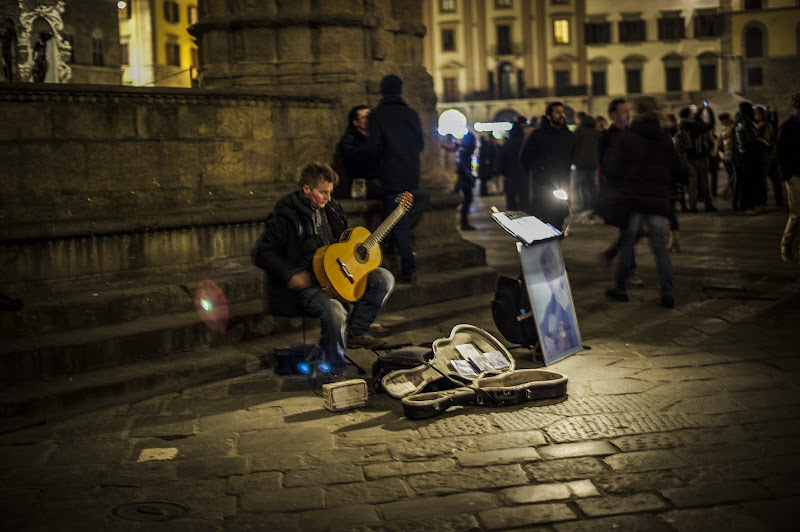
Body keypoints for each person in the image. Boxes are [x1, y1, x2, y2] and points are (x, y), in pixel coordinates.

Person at [251, 162, 394, 376]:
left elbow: (342, 244)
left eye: (330, 192)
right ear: (306, 190)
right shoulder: (285, 214)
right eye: (323, 193)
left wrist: (356, 256)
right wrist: (290, 274)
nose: (327, 198)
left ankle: (357, 332)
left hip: (336, 276)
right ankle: (335, 368)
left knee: (384, 278)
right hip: (305, 284)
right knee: (335, 311)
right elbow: (262, 252)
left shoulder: (332, 208)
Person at [603, 97, 685, 308]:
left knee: (628, 244)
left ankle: (621, 289)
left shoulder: (626, 138)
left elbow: (611, 169)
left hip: (634, 200)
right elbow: (678, 170)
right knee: (660, 247)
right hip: (658, 200)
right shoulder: (665, 139)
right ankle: (668, 292)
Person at [367, 74, 430, 283]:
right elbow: (420, 144)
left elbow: (373, 147)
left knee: (398, 222)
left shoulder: (377, 115)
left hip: (391, 176)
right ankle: (405, 259)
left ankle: (408, 268)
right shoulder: (411, 114)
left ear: (382, 90)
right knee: (402, 220)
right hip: (411, 174)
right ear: (400, 90)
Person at [595, 98, 644, 287]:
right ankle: (629, 271)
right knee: (632, 230)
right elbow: (605, 166)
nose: (628, 114)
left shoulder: (632, 134)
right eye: (624, 111)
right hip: (618, 193)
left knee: (634, 231)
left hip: (634, 190)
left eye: (628, 111)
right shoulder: (606, 138)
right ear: (613, 115)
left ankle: (611, 256)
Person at [519, 101, 575, 231]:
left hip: (562, 183)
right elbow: (524, 157)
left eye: (562, 112)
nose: (561, 115)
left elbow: (572, 155)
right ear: (549, 116)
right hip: (542, 184)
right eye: (557, 112)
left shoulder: (568, 136)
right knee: (543, 219)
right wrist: (538, 172)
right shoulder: (537, 135)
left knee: (559, 218)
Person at [538, 245, 580, 356]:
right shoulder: (552, 301)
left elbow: (574, 336)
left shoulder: (565, 298)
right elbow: (543, 327)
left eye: (550, 271)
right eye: (546, 274)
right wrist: (546, 341)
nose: (548, 279)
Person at [675, 106, 715, 213]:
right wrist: (710, 114)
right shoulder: (694, 125)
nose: (693, 114)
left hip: (688, 158)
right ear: (689, 115)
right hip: (699, 156)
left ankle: (692, 206)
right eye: (691, 113)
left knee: (692, 183)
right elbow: (709, 126)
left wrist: (699, 112)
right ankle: (708, 205)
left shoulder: (681, 126)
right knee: (704, 182)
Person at [776, 92, 800, 263]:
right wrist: (786, 175)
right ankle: (786, 242)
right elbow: (780, 152)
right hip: (795, 175)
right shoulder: (788, 126)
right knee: (797, 213)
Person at [338, 105, 380, 198]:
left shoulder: (376, 137)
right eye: (365, 117)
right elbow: (354, 160)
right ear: (355, 122)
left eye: (370, 116)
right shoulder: (349, 140)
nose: (370, 119)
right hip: (361, 184)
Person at [734, 102, 768, 215]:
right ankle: (747, 206)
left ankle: (752, 205)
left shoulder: (743, 120)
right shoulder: (745, 122)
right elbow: (752, 138)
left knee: (750, 182)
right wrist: (765, 144)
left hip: (747, 154)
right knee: (748, 182)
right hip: (748, 154)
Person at [497, 115, 528, 211]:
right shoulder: (525, 143)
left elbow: (500, 159)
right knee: (524, 200)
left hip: (509, 177)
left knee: (511, 202)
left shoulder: (507, 144)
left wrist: (503, 172)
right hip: (524, 176)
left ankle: (513, 221)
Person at [572, 112, 600, 213]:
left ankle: (583, 207)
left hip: (580, 165)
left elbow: (574, 148)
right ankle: (591, 207)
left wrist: (574, 161)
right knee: (592, 187)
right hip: (593, 164)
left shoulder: (578, 132)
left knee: (579, 187)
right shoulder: (596, 132)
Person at [455, 142, 475, 230]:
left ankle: (464, 222)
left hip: (464, 180)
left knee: (467, 200)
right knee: (467, 200)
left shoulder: (463, 152)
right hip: (464, 180)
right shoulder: (463, 152)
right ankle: (464, 223)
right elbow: (463, 167)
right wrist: (470, 177)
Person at [719, 112, 736, 200]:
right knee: (734, 175)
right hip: (732, 154)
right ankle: (730, 192)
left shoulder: (723, 128)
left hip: (725, 155)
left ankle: (729, 192)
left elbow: (720, 144)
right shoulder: (732, 127)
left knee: (730, 175)